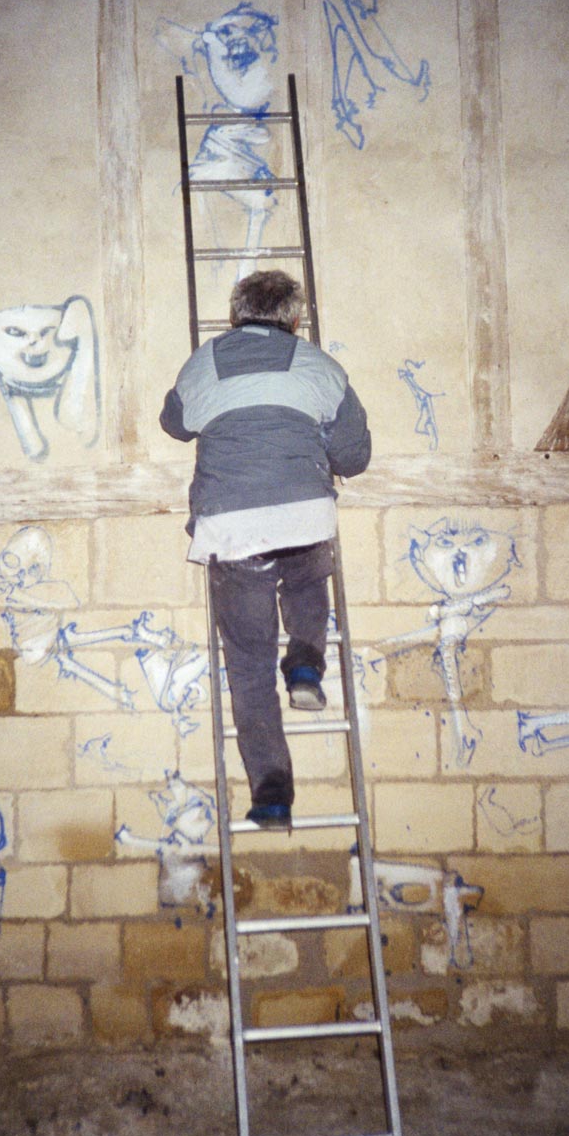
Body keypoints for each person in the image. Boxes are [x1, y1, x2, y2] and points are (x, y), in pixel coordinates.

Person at [160, 269, 371, 828]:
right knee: (306, 574)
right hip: (304, 516)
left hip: (231, 529)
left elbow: (175, 425)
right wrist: (317, 436)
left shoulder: (204, 361)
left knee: (249, 665)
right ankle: (305, 664)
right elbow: (354, 457)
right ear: (295, 319)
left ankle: (272, 796)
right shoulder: (321, 367)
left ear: (235, 316)